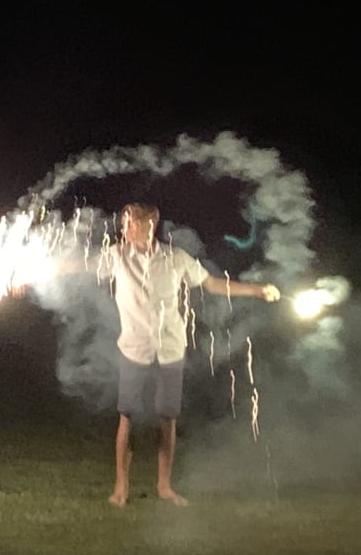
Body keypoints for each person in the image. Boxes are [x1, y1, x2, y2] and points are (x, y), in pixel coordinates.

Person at [100, 203, 279, 507]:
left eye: (131, 223)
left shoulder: (176, 258)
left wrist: (257, 290)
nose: (124, 228)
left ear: (149, 225)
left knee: (167, 418)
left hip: (170, 348)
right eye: (124, 223)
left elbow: (212, 284)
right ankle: (121, 487)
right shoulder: (116, 255)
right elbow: (75, 266)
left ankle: (164, 486)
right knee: (127, 417)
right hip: (134, 348)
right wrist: (26, 276)